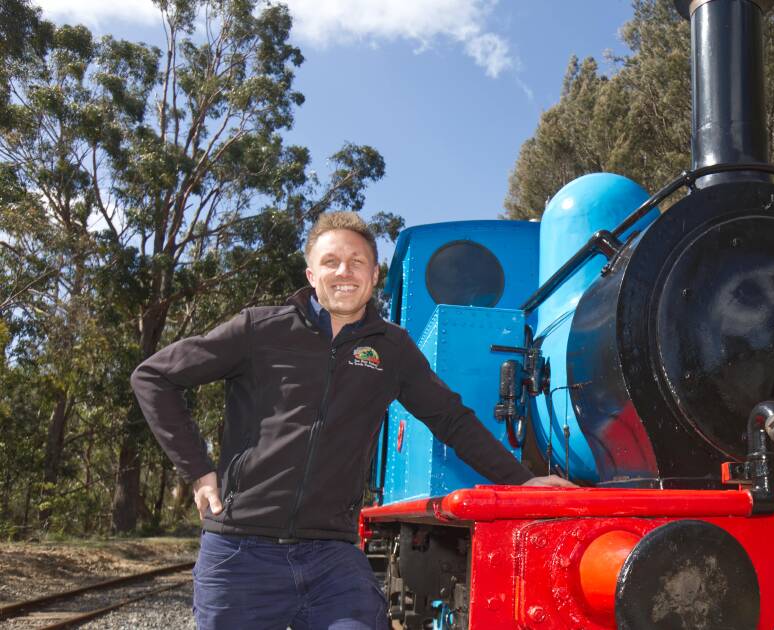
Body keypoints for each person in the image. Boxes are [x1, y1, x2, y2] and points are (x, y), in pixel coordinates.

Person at [131, 211, 571, 629]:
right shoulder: (259, 329)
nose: (345, 271)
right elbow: (153, 377)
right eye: (331, 262)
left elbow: (451, 419)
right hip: (241, 551)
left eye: (357, 261)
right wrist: (198, 470)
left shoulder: (392, 349)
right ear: (311, 275)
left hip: (331, 557)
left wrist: (523, 481)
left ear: (373, 275)